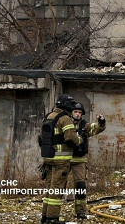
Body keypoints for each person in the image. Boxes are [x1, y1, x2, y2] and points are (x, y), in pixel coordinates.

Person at [39, 94, 83, 224]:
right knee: (56, 190)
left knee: (49, 189)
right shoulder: (65, 119)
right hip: (61, 161)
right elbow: (70, 138)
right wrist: (79, 139)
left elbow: (40, 138)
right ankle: (52, 219)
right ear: (67, 106)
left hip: (49, 158)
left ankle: (45, 216)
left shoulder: (48, 117)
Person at [68, 102, 106, 219]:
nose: (78, 114)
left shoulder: (84, 126)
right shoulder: (65, 123)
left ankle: (81, 211)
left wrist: (101, 122)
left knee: (80, 185)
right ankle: (53, 213)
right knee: (59, 185)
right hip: (63, 159)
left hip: (79, 159)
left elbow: (97, 128)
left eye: (80, 112)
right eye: (75, 112)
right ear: (71, 113)